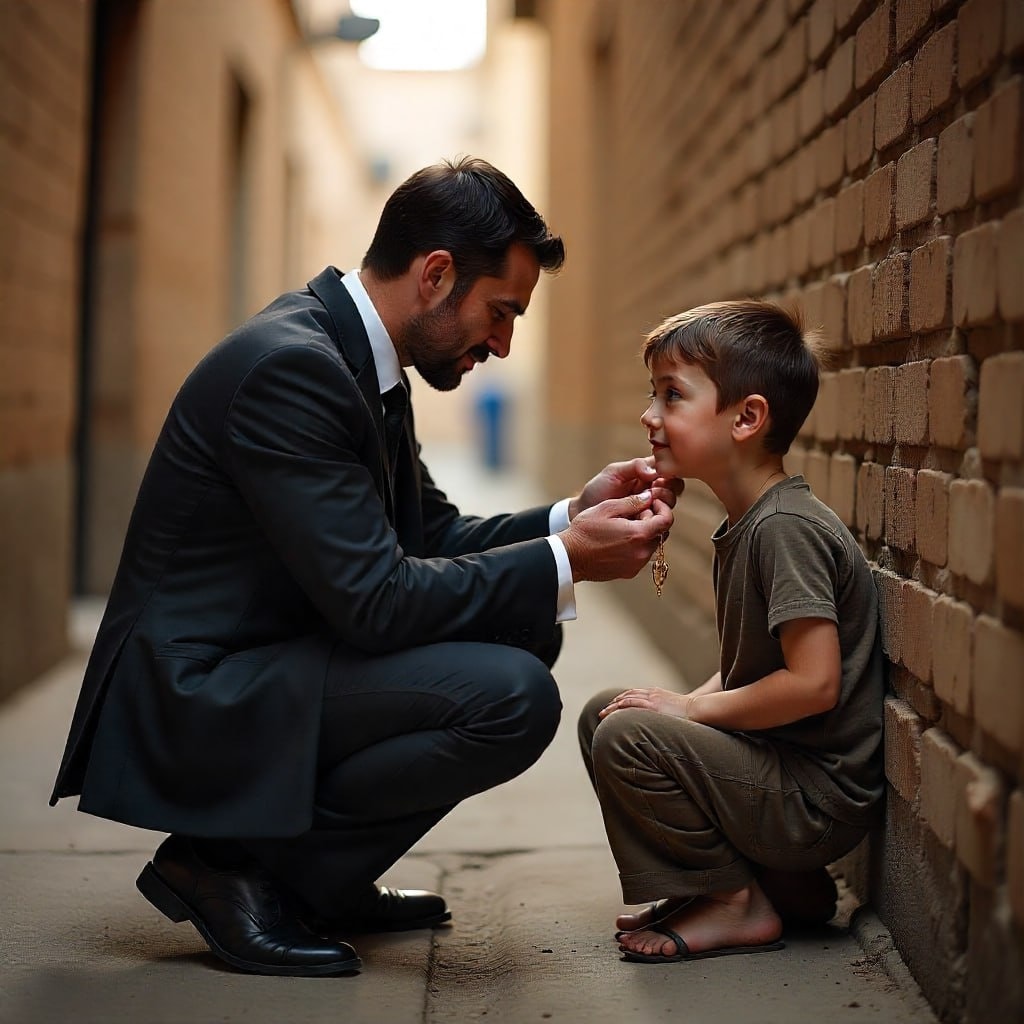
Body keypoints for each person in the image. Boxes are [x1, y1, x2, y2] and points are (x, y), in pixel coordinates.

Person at [51, 157, 677, 977]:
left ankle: (324, 878)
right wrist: (569, 560)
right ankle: (230, 868)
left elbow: (433, 537)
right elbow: (377, 602)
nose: (504, 341)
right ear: (436, 274)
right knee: (511, 697)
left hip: (271, 654)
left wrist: (570, 518)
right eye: (500, 312)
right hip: (196, 691)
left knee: (526, 624)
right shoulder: (294, 368)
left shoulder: (361, 361)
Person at [578, 300, 884, 964]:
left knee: (628, 734)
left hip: (816, 800)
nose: (648, 415)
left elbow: (814, 682)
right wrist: (679, 707)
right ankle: (777, 887)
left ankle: (732, 902)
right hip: (780, 779)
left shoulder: (786, 529)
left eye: (671, 395)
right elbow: (749, 669)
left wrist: (690, 710)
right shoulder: (751, 522)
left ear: (746, 418)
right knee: (611, 711)